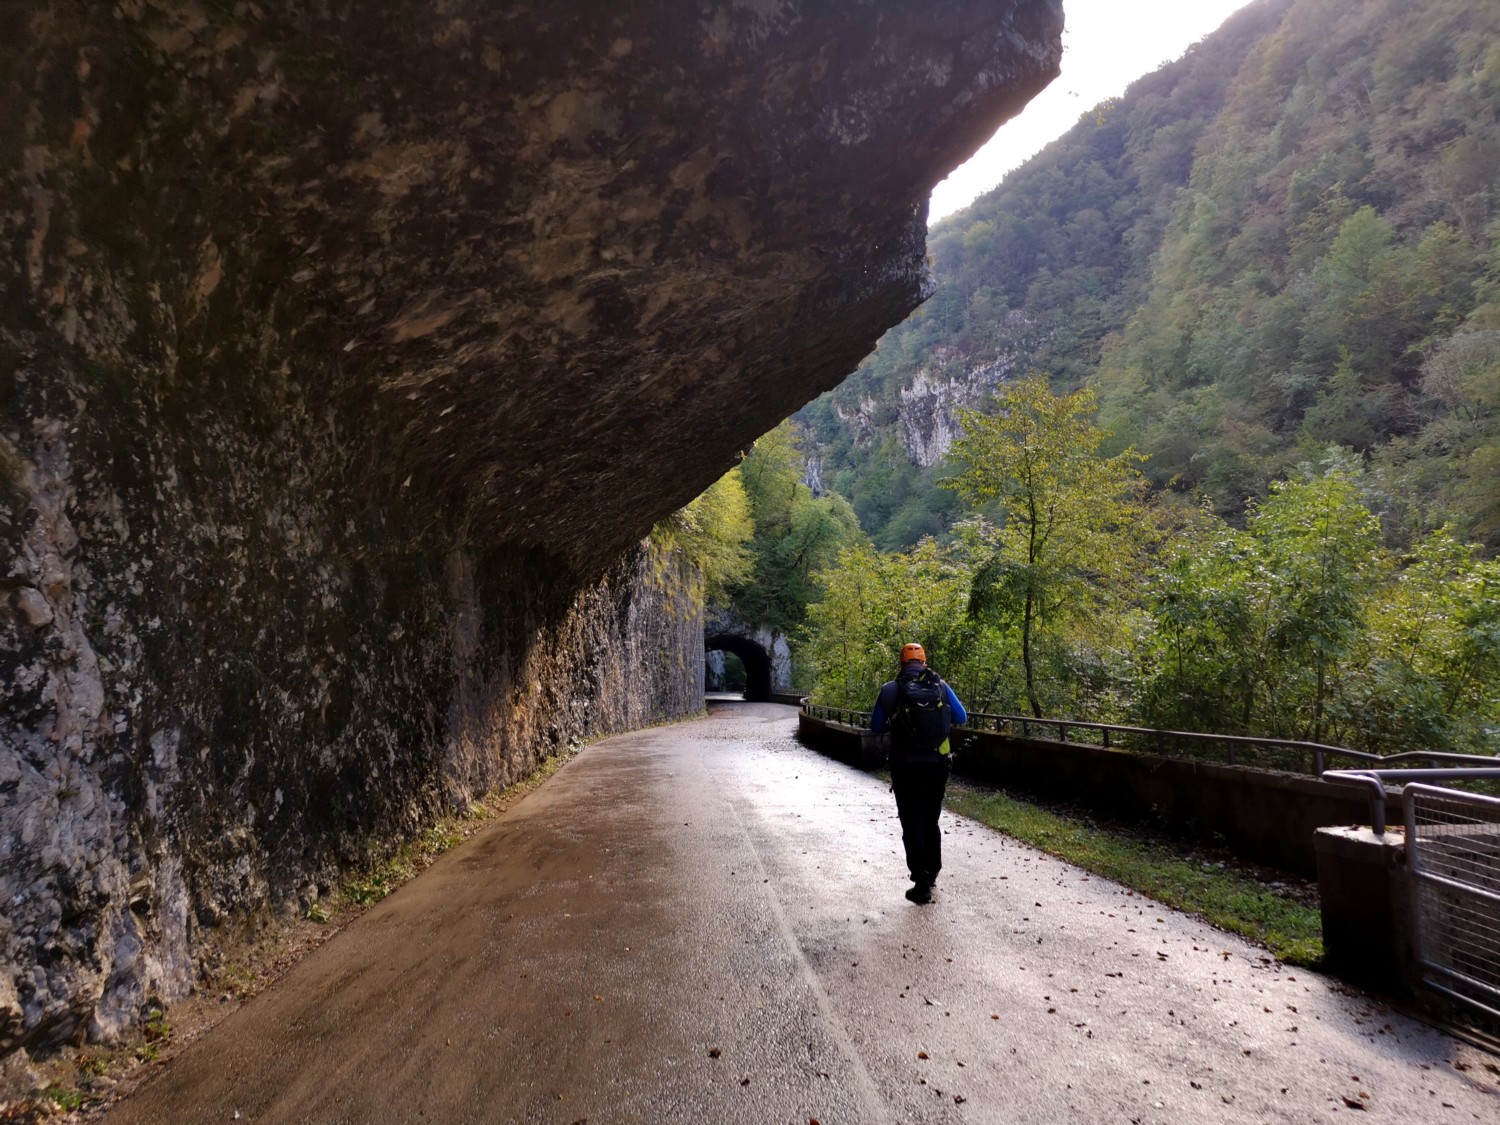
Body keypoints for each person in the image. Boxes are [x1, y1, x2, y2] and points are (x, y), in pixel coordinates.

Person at [870, 643, 967, 905]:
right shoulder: (941, 687)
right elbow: (962, 718)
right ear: (924, 663)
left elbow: (875, 726)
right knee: (930, 819)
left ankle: (921, 882)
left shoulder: (891, 690)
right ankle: (933, 871)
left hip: (905, 767)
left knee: (911, 822)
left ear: (901, 664)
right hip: (937, 766)